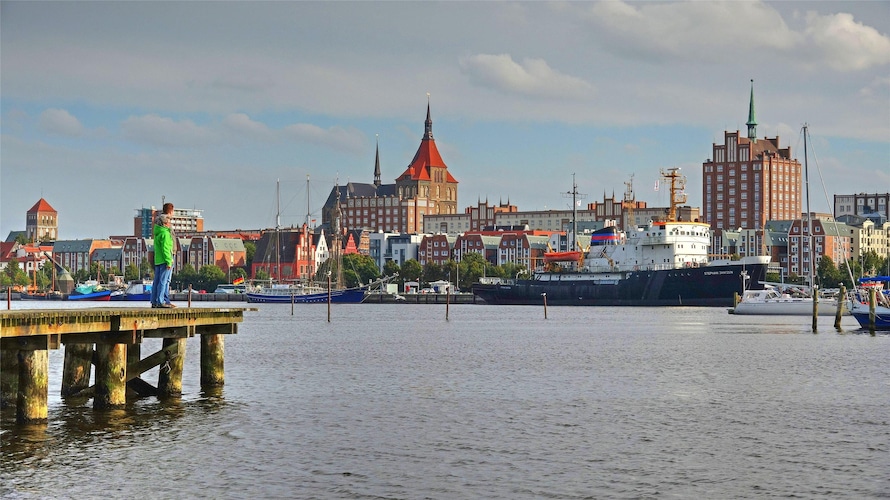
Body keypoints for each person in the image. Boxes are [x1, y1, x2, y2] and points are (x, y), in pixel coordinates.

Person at [151, 203, 176, 308]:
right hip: (165, 259)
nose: (170, 223)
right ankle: (161, 301)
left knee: (157, 281)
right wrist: (169, 261)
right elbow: (166, 248)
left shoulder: (158, 233)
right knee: (163, 281)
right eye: (169, 222)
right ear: (165, 223)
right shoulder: (165, 234)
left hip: (158, 259)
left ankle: (155, 301)